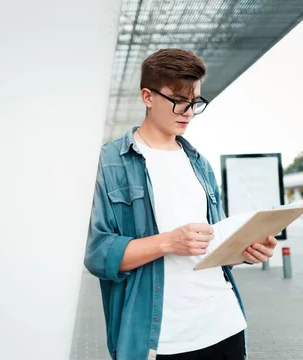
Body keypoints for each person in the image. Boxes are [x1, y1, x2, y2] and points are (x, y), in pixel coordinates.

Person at [84, 48, 277, 360]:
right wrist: (169, 242)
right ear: (148, 96)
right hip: (161, 339)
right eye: (178, 99)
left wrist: (246, 253)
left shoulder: (199, 162)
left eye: (194, 102)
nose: (187, 111)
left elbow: (216, 246)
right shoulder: (109, 163)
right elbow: (97, 254)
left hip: (224, 324)